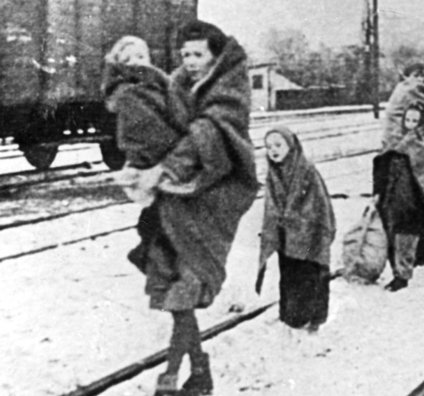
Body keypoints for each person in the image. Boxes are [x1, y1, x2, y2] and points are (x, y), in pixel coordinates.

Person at [122, 21, 258, 396]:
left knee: (188, 285)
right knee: (175, 292)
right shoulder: (178, 84)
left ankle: (171, 380)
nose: (191, 62)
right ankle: (198, 373)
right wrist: (137, 164)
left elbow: (207, 134)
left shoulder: (230, 90)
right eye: (185, 55)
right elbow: (166, 130)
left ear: (216, 56)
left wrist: (163, 169)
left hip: (216, 198)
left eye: (199, 54)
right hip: (179, 200)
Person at [256, 126, 336, 332]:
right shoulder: (274, 173)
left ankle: (311, 320)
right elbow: (272, 205)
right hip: (286, 236)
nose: (273, 150)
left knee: (308, 274)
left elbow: (319, 205)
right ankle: (291, 318)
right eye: (269, 146)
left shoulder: (306, 169)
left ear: (290, 146)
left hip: (309, 234)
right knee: (289, 275)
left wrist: (302, 225)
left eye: (278, 145)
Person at [103, 35, 192, 208]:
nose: (135, 62)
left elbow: (177, 112)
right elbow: (150, 128)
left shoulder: (160, 84)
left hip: (162, 160)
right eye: (127, 60)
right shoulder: (129, 93)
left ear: (149, 59)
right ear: (120, 66)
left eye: (140, 57)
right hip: (152, 161)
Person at [374, 77, 424, 291]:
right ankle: (398, 270)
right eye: (408, 120)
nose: (410, 124)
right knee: (393, 235)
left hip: (412, 200)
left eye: (415, 121)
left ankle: (402, 275)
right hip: (393, 197)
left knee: (406, 237)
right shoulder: (394, 141)